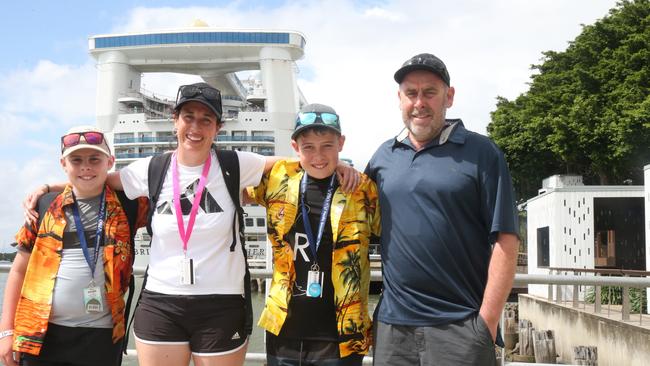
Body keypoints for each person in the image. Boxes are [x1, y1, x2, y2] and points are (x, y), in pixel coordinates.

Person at [22, 83, 359, 366]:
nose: (196, 128)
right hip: (161, 302)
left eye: (206, 120)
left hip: (222, 303)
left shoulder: (235, 165)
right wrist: (52, 186)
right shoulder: (150, 169)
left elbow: (301, 161)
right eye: (188, 117)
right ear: (175, 121)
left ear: (218, 128)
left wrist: (341, 165)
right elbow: (94, 178)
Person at [365, 53, 520, 366]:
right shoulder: (383, 156)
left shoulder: (481, 152)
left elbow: (506, 238)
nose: (419, 102)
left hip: (460, 326)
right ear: (400, 99)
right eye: (411, 93)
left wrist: (485, 324)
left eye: (430, 92)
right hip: (393, 328)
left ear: (449, 96)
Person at [0, 126, 149, 366]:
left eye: (94, 159)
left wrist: (50, 184)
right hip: (43, 334)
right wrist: (6, 331)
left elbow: (165, 188)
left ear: (110, 162)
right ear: (63, 164)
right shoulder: (44, 207)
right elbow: (18, 271)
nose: (85, 167)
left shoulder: (130, 204)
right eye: (76, 160)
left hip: (103, 336)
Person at [247, 103, 380, 366]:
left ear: (341, 143)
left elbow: (392, 232)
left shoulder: (362, 189)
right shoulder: (277, 180)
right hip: (283, 327)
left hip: (342, 333)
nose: (318, 155)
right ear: (295, 148)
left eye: (327, 146)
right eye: (308, 147)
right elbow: (229, 181)